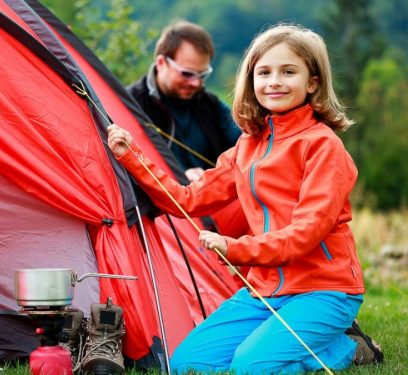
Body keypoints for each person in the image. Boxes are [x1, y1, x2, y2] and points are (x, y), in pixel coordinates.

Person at [108, 23, 383, 374]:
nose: (274, 82)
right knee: (187, 364)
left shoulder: (323, 146)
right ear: (251, 80)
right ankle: (300, 342)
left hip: (324, 289)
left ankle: (347, 347)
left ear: (312, 82)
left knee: (249, 367)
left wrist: (234, 248)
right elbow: (187, 199)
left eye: (288, 72)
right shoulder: (247, 146)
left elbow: (306, 233)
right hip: (265, 289)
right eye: (263, 72)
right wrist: (132, 156)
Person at [128, 20, 246, 237]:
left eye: (202, 75)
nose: (195, 83)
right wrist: (179, 175)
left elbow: (246, 147)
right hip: (161, 217)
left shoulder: (210, 104)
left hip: (213, 210)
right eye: (187, 74)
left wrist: (212, 177)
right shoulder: (130, 104)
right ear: (162, 62)